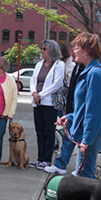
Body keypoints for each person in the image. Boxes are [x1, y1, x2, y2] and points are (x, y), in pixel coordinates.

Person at [56, 32, 101, 200]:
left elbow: (94, 111)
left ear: (87, 50)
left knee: (84, 182)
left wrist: (86, 140)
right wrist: (69, 117)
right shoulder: (90, 71)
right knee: (84, 178)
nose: (73, 51)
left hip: (92, 134)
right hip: (89, 132)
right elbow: (84, 107)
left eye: (76, 47)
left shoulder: (95, 73)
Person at [29, 40, 65, 170]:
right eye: (42, 48)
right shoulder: (39, 64)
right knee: (39, 131)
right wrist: (34, 93)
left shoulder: (59, 65)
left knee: (48, 131)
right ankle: (40, 158)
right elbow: (33, 80)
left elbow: (56, 84)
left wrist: (41, 94)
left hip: (49, 102)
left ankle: (47, 159)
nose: (42, 51)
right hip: (37, 102)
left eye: (45, 48)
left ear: (52, 50)